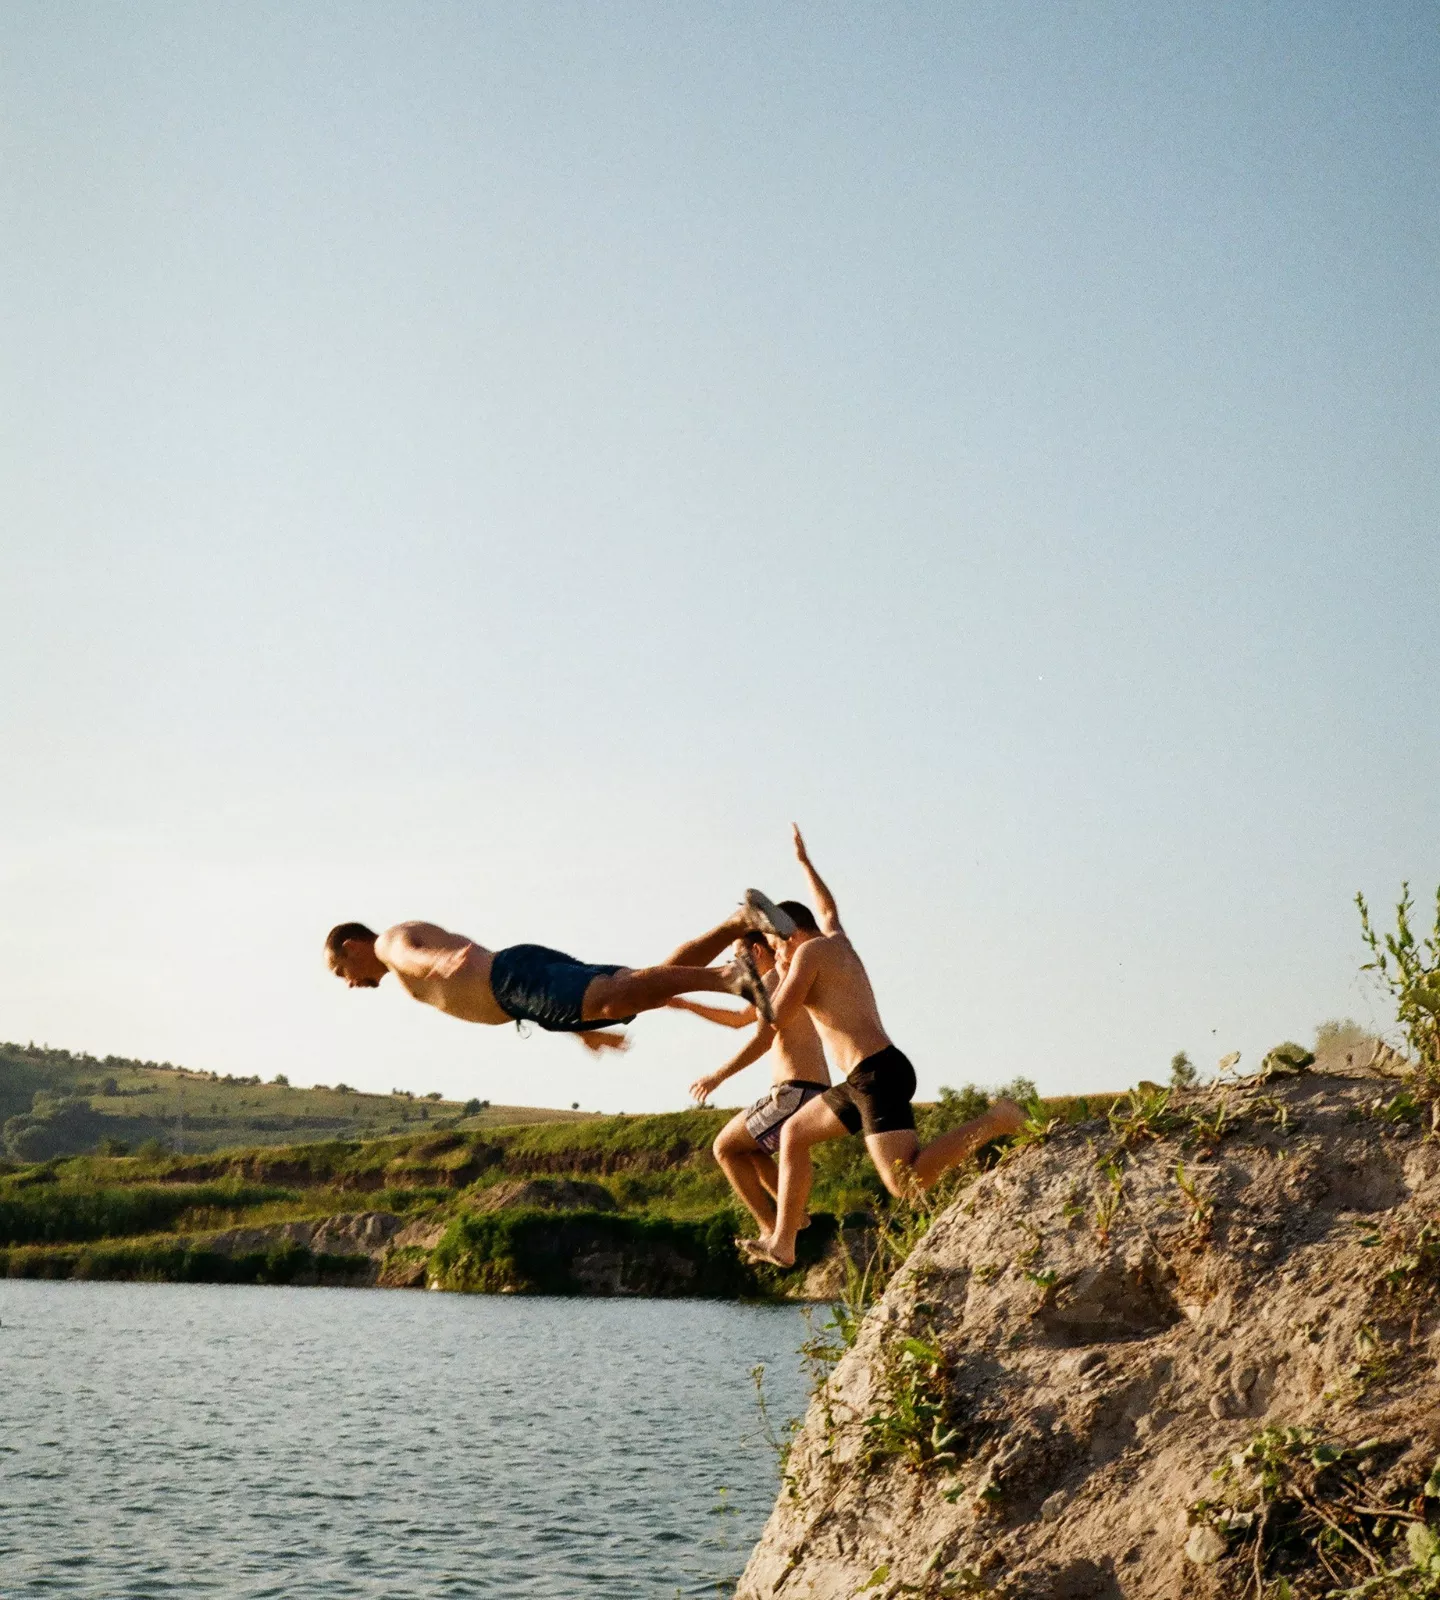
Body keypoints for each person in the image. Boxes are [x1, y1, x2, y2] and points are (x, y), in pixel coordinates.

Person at [739, 827, 1027, 1268]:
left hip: (876, 1074)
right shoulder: (835, 940)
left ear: (791, 935)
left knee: (906, 1184)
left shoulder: (807, 956)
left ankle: (996, 1120)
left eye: (778, 947)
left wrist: (749, 978)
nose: (777, 957)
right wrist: (804, 863)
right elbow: (828, 908)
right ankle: (783, 1242)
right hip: (864, 1077)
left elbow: (774, 1016)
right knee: (794, 1133)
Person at [324, 899, 786, 1051]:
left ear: (351, 946)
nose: (349, 981)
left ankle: (731, 978)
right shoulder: (398, 935)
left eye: (341, 970)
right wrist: (575, 1032)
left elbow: (407, 954)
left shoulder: (388, 942)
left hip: (511, 983)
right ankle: (737, 922)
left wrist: (435, 964)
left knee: (619, 997)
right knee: (646, 985)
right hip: (522, 983)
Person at [667, 910, 832, 1237]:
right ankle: (795, 1218)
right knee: (750, 1151)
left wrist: (717, 1077)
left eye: (738, 958)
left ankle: (771, 1227)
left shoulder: (772, 980)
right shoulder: (781, 982)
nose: (735, 967)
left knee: (725, 1148)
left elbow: (761, 1039)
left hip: (795, 1092)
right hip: (808, 1089)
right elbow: (739, 1018)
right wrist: (687, 1005)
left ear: (757, 952)